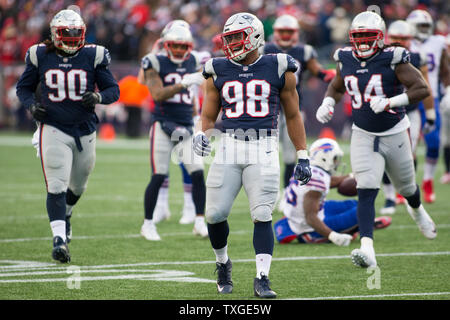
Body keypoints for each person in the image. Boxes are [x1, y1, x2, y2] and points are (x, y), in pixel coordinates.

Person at [194, 12, 312, 298]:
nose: (231, 43)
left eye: (236, 37)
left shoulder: (278, 65)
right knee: (214, 213)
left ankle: (262, 277)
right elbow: (209, 114)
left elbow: (293, 115)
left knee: (262, 213)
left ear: (255, 36)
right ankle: (223, 264)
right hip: (229, 146)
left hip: (264, 145)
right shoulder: (217, 69)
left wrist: (302, 154)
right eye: (229, 37)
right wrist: (202, 133)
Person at [316, 11, 437, 268]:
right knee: (366, 188)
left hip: (395, 131)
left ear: (380, 37)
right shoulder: (345, 57)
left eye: (367, 37)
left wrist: (392, 101)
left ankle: (416, 210)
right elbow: (337, 86)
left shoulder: (393, 58)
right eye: (358, 37)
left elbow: (422, 88)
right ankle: (367, 248)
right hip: (363, 132)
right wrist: (328, 102)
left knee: (406, 187)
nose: (361, 42)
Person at [16, 9, 120, 263]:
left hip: (85, 128)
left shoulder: (92, 55)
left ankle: (68, 214)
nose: (73, 38)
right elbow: (23, 88)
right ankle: (59, 240)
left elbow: (113, 90)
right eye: (67, 33)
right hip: (52, 126)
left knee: (79, 185)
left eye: (77, 33)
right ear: (55, 34)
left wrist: (98, 97)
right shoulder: (39, 54)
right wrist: (31, 105)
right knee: (57, 184)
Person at [138, 20, 210, 226]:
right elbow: (157, 93)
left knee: (196, 172)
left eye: (183, 46)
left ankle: (199, 221)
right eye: (175, 45)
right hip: (162, 122)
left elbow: (210, 80)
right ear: (166, 43)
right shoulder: (154, 60)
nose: (179, 50)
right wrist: (183, 83)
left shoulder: (196, 59)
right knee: (159, 174)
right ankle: (148, 223)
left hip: (187, 122)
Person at [264, 14, 336, 195]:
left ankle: (286, 191)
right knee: (265, 153)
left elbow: (318, 72)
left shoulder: (304, 51)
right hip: (268, 107)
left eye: (290, 31)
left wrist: (332, 74)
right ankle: (268, 191)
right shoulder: (265, 49)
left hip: (293, 108)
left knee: (290, 154)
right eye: (283, 31)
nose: (286, 35)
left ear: (296, 33)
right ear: (276, 32)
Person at [274, 138, 391, 245]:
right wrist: (333, 236)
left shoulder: (307, 167)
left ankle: (361, 224)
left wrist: (350, 176)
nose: (336, 162)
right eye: (335, 158)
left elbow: (328, 181)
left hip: (301, 216)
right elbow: (310, 217)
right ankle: (314, 235)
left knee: (356, 205)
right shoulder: (316, 180)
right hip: (307, 226)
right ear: (324, 157)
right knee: (360, 212)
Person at [380, 20, 436, 215]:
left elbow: (425, 86)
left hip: (410, 112)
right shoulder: (380, 55)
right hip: (385, 112)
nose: (399, 42)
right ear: (388, 38)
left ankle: (408, 191)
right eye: (396, 38)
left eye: (404, 38)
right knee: (383, 155)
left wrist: (430, 113)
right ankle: (389, 196)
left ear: (411, 39)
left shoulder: (416, 57)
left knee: (409, 153)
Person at [406, 9, 450, 201]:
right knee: (408, 146)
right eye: (420, 26)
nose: (424, 29)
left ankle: (428, 181)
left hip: (431, 97)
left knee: (433, 143)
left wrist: (448, 90)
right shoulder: (404, 42)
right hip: (408, 98)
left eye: (426, 26)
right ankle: (406, 186)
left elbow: (445, 71)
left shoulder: (438, 43)